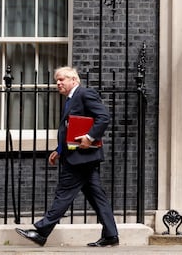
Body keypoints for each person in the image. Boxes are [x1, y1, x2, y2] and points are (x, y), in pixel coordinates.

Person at [15, 66, 119, 247]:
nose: (58, 83)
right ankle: (111, 235)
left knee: (63, 194)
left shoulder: (84, 94)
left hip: (80, 158)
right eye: (57, 80)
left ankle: (41, 232)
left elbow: (103, 117)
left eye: (62, 79)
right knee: (97, 197)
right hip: (79, 157)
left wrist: (89, 137)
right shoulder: (71, 99)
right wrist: (60, 150)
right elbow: (70, 130)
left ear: (74, 80)